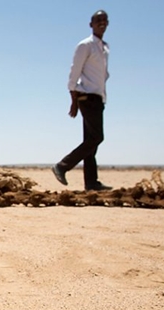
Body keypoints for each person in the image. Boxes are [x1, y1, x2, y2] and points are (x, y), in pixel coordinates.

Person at [52, 10, 112, 191]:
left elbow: (102, 76)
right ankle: (62, 166)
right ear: (91, 24)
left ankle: (91, 183)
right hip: (87, 98)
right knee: (97, 138)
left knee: (91, 142)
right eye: (97, 20)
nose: (101, 23)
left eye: (104, 20)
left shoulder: (104, 48)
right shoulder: (85, 45)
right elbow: (74, 73)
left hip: (98, 98)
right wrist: (74, 100)